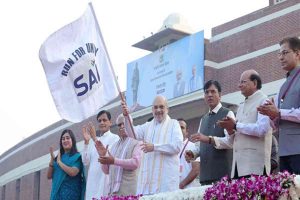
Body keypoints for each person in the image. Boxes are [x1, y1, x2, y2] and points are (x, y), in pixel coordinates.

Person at [121, 95, 183, 195]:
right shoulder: (147, 126)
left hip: (165, 184)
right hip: (148, 184)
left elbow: (177, 146)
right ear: (152, 110)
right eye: (155, 107)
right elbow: (131, 133)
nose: (158, 110)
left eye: (161, 107)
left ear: (167, 109)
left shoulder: (173, 124)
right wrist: (126, 116)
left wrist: (154, 147)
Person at [216, 70, 272, 178]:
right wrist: (230, 130)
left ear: (255, 83)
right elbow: (235, 135)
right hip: (238, 165)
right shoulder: (241, 106)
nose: (239, 85)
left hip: (255, 165)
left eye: (243, 82)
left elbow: (261, 129)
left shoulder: (264, 101)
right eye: (239, 82)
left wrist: (236, 126)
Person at [257, 37, 300, 174]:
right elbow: (275, 125)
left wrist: (279, 112)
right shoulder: (282, 87)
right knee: (288, 194)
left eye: (285, 53)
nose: (281, 57)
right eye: (279, 54)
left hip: (298, 150)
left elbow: (282, 113)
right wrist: (270, 114)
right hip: (284, 152)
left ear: (297, 53)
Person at [185, 80, 233, 185]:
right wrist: (192, 153)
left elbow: (231, 142)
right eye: (207, 92)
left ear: (220, 95)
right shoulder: (203, 119)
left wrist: (209, 139)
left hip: (222, 178)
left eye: (213, 92)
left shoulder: (227, 113)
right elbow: (199, 145)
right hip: (205, 178)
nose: (209, 95)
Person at [97, 114, 142, 196]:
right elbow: (106, 171)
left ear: (130, 124)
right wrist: (103, 158)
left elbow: (135, 163)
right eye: (119, 125)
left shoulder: (137, 142)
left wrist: (114, 160)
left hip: (128, 192)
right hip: (112, 193)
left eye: (124, 123)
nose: (121, 126)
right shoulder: (114, 146)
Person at [81, 110, 119, 200]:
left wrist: (94, 139)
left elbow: (108, 157)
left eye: (104, 120)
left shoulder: (115, 138)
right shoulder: (94, 140)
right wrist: (86, 142)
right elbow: (85, 161)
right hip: (92, 183)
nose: (102, 122)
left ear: (110, 122)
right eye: (99, 120)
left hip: (104, 182)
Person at [47, 129, 85, 200]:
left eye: (68, 138)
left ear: (72, 141)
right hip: (57, 196)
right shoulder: (58, 157)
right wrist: (52, 160)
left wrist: (60, 163)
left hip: (72, 195)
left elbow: (73, 172)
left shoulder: (76, 157)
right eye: (63, 139)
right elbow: (49, 176)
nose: (65, 140)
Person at [177, 118, 200, 189]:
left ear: (187, 132)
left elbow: (196, 169)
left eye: (182, 127)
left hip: (188, 190)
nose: (179, 129)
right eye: (177, 127)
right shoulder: (170, 148)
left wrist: (181, 185)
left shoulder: (193, 147)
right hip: (171, 190)